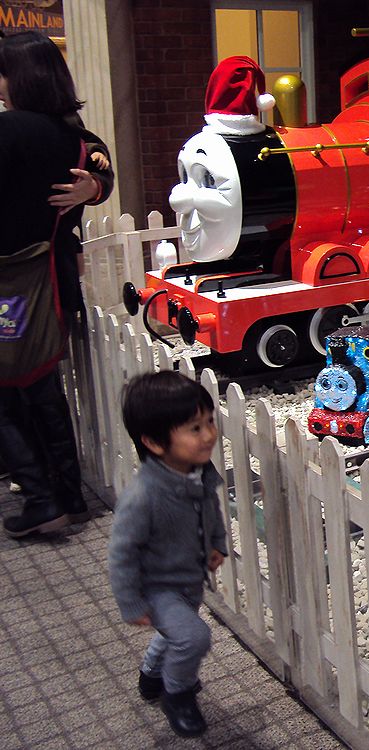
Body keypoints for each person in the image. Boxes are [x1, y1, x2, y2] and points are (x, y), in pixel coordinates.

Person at [0, 31, 114, 536]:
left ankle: (41, 497)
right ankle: (66, 493)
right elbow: (100, 166)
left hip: (13, 282)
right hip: (52, 279)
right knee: (41, 386)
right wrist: (98, 188)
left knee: (11, 392)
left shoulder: (9, 130)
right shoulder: (72, 136)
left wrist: (97, 188)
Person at [109, 371, 227, 738]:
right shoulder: (143, 496)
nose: (208, 435)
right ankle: (177, 695)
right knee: (193, 637)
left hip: (188, 578)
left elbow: (210, 510)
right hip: (157, 586)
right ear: (154, 442)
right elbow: (122, 553)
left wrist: (216, 543)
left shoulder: (198, 472)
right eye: (194, 429)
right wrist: (130, 602)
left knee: (176, 632)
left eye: (209, 422)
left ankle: (150, 674)